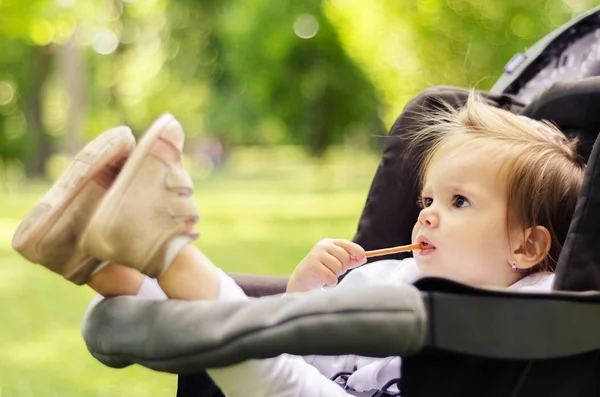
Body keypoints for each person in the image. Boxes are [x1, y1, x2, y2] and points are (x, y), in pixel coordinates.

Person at [12, 92, 585, 396]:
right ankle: (99, 260)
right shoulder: (394, 277)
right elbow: (317, 355)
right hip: (313, 383)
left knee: (255, 360)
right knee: (250, 345)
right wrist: (306, 297)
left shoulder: (541, 302)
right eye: (427, 201)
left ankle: (164, 245)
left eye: (459, 203)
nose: (429, 217)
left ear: (528, 247)